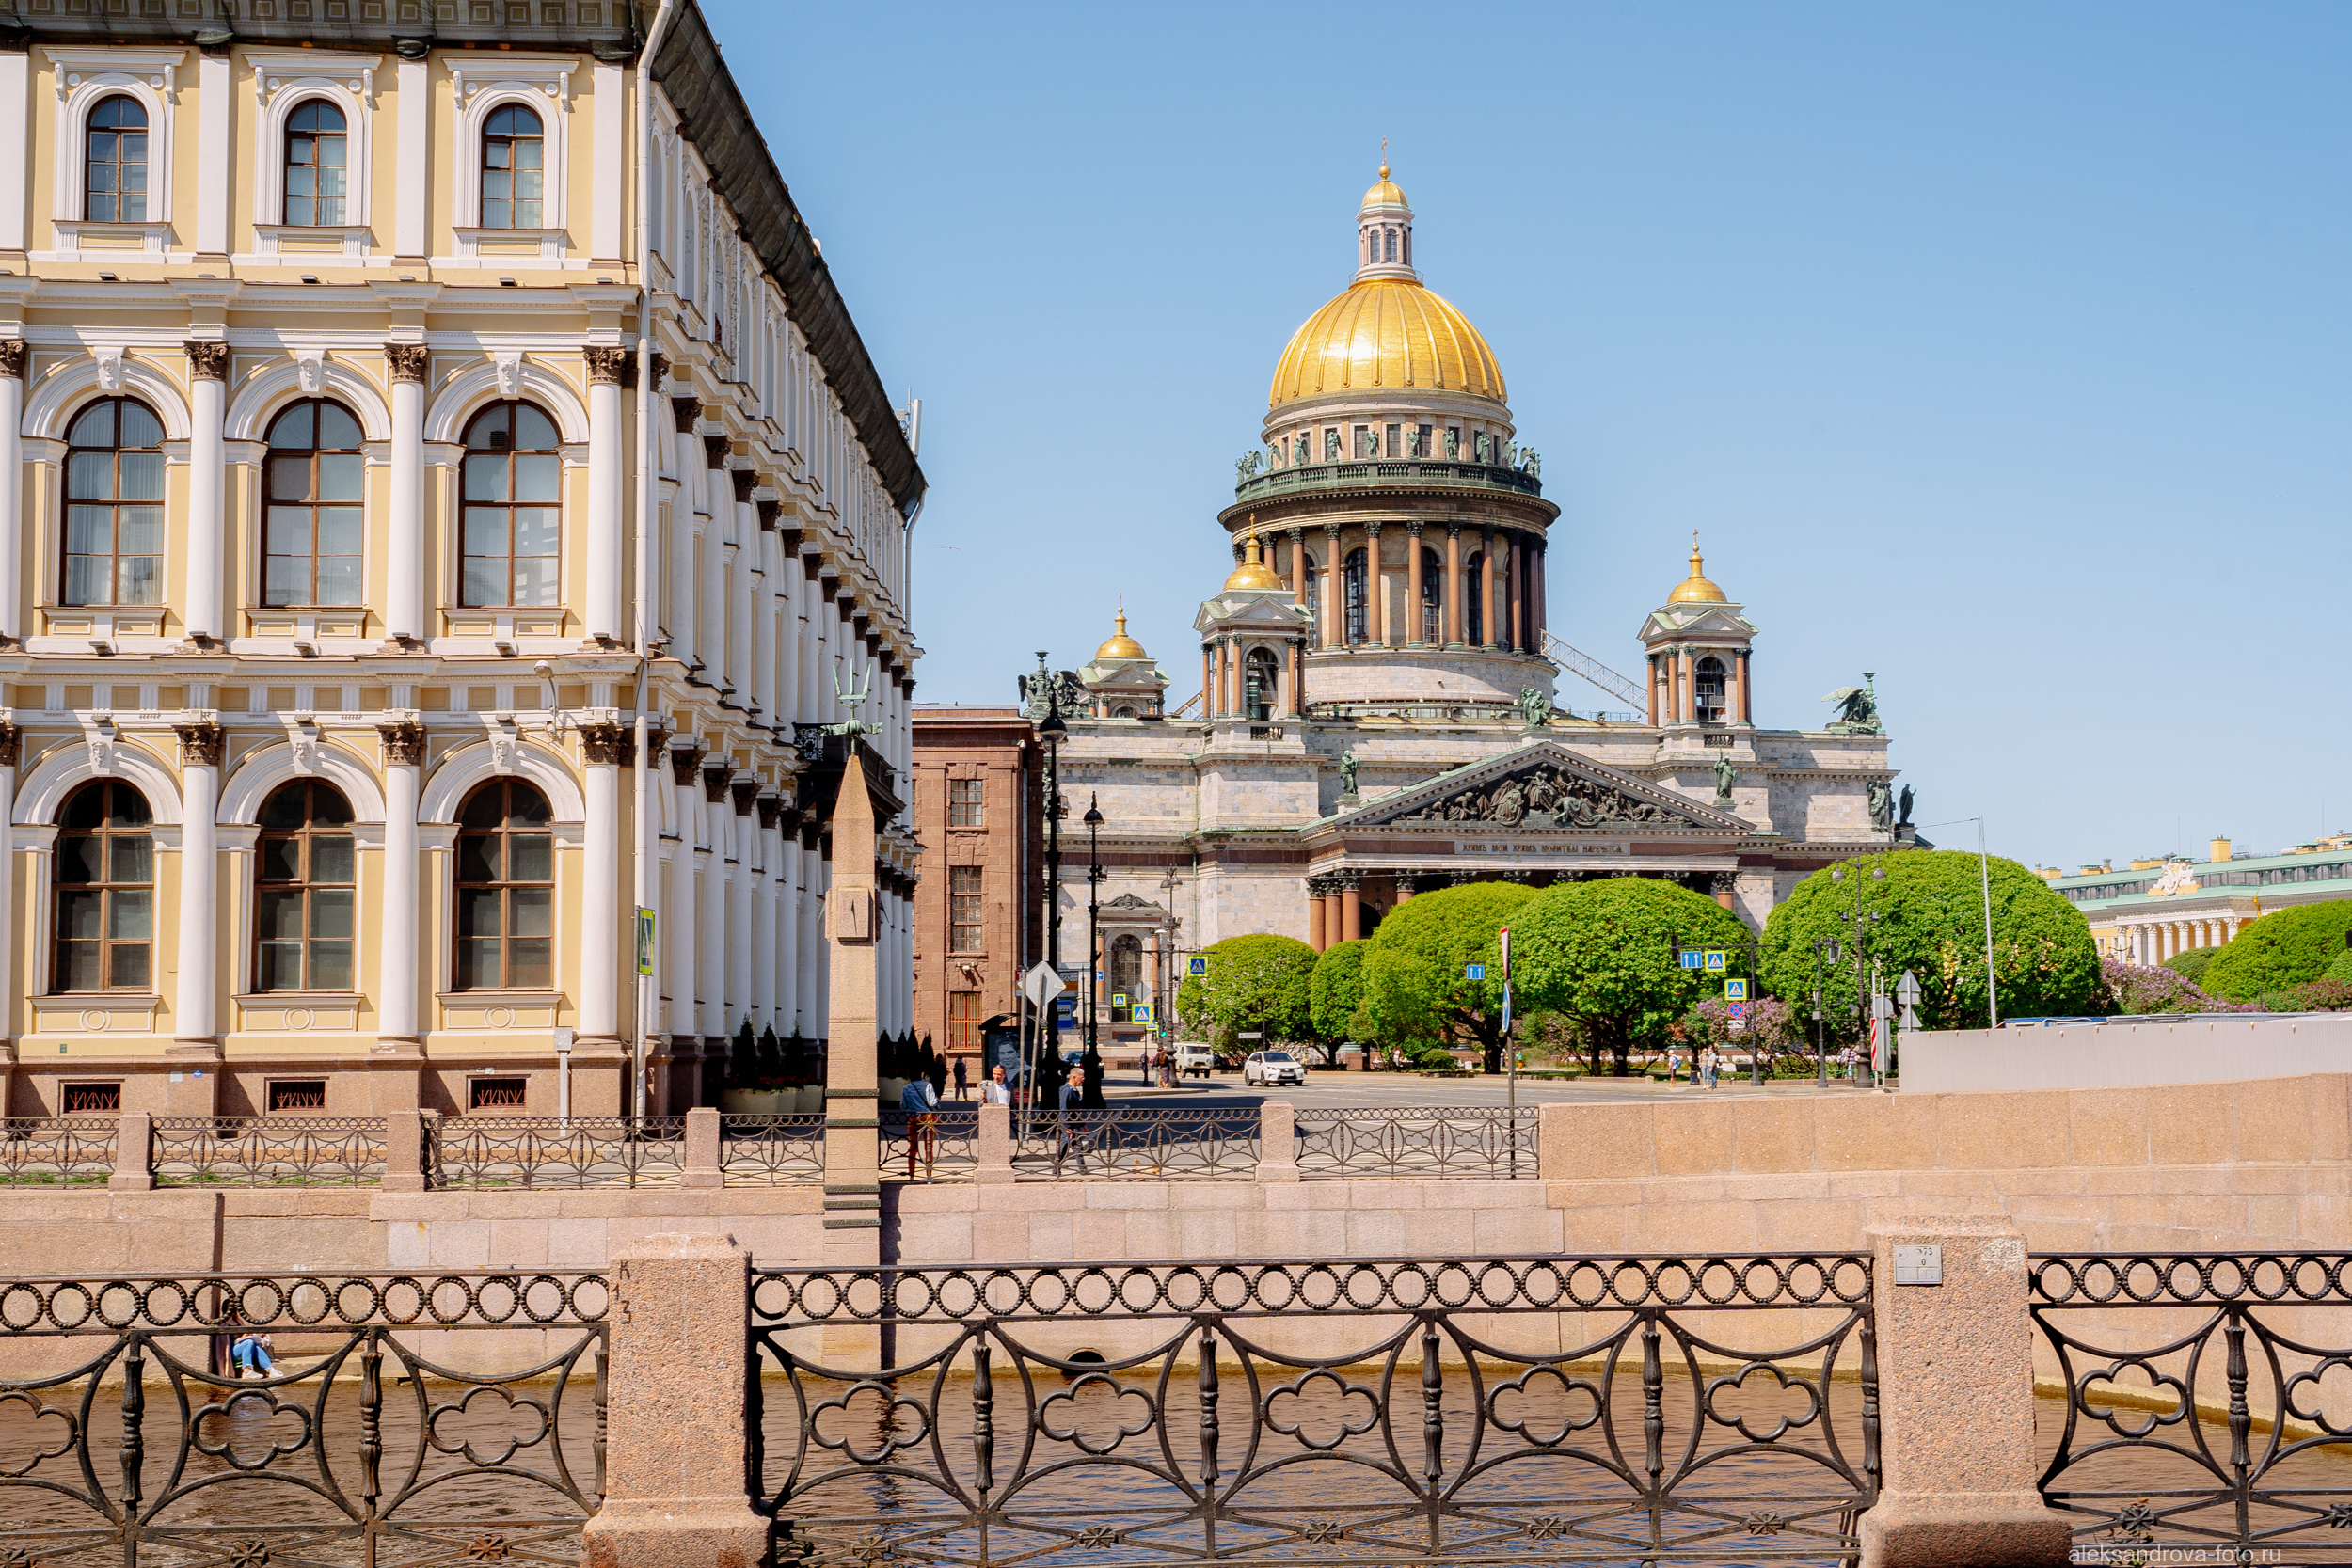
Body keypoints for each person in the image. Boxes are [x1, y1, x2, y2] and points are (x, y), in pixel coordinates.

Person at [900, 1073, 940, 1180]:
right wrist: (937, 1100)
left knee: (912, 1147)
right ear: (921, 1075)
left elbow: (903, 1105)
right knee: (928, 1146)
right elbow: (932, 1102)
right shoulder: (928, 1085)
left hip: (913, 1118)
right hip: (926, 1118)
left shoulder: (906, 1088)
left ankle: (911, 1174)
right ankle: (929, 1173)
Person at [1056, 1065, 1088, 1173]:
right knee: (1064, 1148)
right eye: (1081, 1078)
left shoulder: (1074, 1091)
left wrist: (1082, 1124)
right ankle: (1056, 1170)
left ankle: (1083, 1170)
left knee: (1077, 1147)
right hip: (1068, 1125)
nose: (1082, 1081)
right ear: (1074, 1077)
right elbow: (1063, 1109)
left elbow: (1077, 1109)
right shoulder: (1067, 1091)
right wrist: (1066, 1127)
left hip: (1074, 1125)